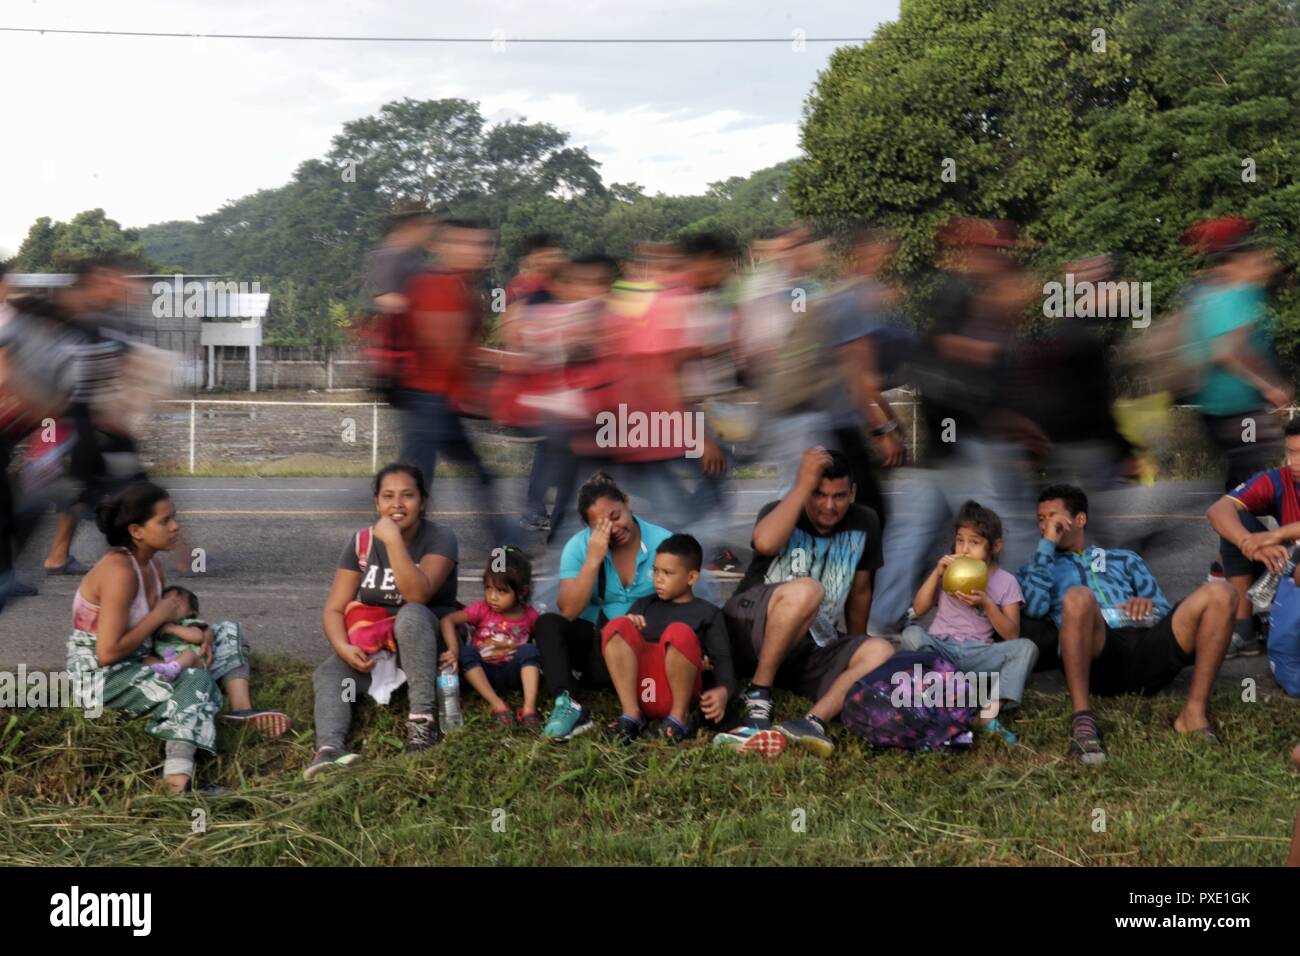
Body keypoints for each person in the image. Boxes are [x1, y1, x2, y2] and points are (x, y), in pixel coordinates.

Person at [66, 482, 286, 793]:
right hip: (101, 677)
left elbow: (160, 626)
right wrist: (160, 618)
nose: (175, 526)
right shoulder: (119, 572)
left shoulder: (152, 565)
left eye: (174, 517)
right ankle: (177, 781)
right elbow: (107, 653)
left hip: (141, 656)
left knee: (226, 631)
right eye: (165, 521)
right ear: (136, 531)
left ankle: (240, 709)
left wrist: (199, 635)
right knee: (196, 681)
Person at [1019, 484, 1235, 764]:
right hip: (1098, 654)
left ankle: (1193, 713)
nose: (1047, 525)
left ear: (1080, 520)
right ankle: (1083, 720)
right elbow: (1034, 608)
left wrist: (1149, 608)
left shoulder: (1124, 559)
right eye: (1041, 519)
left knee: (1223, 593)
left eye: (1053, 517)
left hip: (1145, 646)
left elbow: (1161, 609)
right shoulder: (1037, 567)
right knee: (1078, 597)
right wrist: (1046, 545)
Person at [722, 446, 895, 756]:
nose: (829, 506)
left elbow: (860, 592)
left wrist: (854, 647)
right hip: (749, 630)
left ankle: (812, 721)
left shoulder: (865, 521)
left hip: (807, 645)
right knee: (809, 590)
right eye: (818, 494)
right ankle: (759, 694)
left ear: (853, 493)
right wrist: (801, 487)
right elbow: (764, 542)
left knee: (880, 650)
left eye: (839, 496)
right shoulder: (782, 511)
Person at [309, 463, 459, 778]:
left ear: (423, 501)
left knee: (412, 614)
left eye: (408, 495)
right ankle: (329, 750)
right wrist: (344, 647)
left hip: (426, 643)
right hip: (378, 648)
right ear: (377, 503)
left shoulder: (441, 538)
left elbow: (418, 594)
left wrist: (393, 543)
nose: (397, 504)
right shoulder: (361, 541)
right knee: (330, 672)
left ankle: (421, 722)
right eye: (388, 496)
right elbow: (334, 608)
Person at [397, 218, 514, 545]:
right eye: (465, 244)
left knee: (464, 476)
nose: (477, 252)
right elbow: (445, 347)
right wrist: (502, 364)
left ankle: (502, 542)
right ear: (440, 246)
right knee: (414, 485)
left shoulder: (465, 285)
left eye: (483, 244)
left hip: (442, 401)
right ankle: (393, 553)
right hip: (426, 399)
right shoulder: (435, 285)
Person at [536, 472, 673, 740]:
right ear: (589, 528)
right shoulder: (579, 547)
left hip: (644, 644)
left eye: (616, 516)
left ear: (628, 503)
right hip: (597, 645)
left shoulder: (663, 542)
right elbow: (569, 612)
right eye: (601, 526)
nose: (614, 528)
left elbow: (681, 602)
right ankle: (568, 704)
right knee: (547, 624)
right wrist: (593, 560)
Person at [901, 500, 1036, 741]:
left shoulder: (1006, 582)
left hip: (978, 653)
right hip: (942, 649)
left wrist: (987, 605)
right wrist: (936, 573)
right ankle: (949, 700)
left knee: (1026, 648)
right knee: (911, 635)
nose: (964, 549)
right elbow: (920, 609)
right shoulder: (949, 572)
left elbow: (1011, 634)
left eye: (974, 542)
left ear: (994, 547)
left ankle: (988, 714)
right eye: (960, 540)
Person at [599, 534, 734, 744]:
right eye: (655, 571)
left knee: (678, 632)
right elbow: (617, 644)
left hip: (678, 692)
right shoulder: (644, 605)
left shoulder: (709, 613)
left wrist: (723, 691)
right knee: (618, 625)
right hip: (640, 689)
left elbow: (723, 660)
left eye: (668, 573)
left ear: (691, 578)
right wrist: (629, 624)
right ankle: (631, 716)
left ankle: (678, 719)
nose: (658, 579)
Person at [1206, 417, 1300, 657]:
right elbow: (1218, 510)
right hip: (1285, 567)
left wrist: (1275, 535)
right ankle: (1243, 628)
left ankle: (1280, 623)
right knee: (1238, 525)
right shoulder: (1280, 479)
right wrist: (1250, 544)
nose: (1294, 462)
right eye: (1291, 452)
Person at [440, 548, 542, 729]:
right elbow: (448, 619)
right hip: (482, 672)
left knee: (529, 651)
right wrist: (453, 649)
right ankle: (497, 704)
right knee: (467, 652)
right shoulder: (482, 609)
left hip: (513, 673)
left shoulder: (530, 616)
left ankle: (529, 709)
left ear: (522, 591)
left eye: (502, 591)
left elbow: (539, 648)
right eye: (488, 588)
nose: (492, 597)